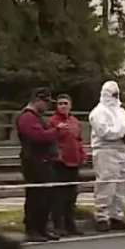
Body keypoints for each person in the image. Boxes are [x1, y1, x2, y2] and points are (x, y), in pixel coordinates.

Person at [16, 88, 65, 242]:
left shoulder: (37, 117)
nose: (47, 106)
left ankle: (42, 227)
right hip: (34, 162)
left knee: (46, 197)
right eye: (45, 102)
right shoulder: (27, 118)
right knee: (35, 197)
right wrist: (55, 131)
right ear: (37, 100)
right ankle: (32, 228)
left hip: (44, 161)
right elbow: (37, 137)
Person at [89, 81, 125, 232]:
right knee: (106, 184)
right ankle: (101, 216)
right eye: (112, 94)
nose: (115, 97)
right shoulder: (98, 112)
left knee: (123, 185)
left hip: (123, 150)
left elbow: (122, 129)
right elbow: (105, 133)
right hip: (106, 151)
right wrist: (124, 130)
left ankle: (117, 215)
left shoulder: (121, 111)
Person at [48, 94, 88, 237]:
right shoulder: (53, 121)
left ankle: (70, 224)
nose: (63, 106)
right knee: (59, 196)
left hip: (74, 162)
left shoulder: (74, 121)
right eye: (60, 104)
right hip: (60, 163)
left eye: (65, 103)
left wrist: (83, 154)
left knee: (71, 196)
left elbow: (79, 140)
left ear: (70, 105)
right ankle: (58, 225)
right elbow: (50, 139)